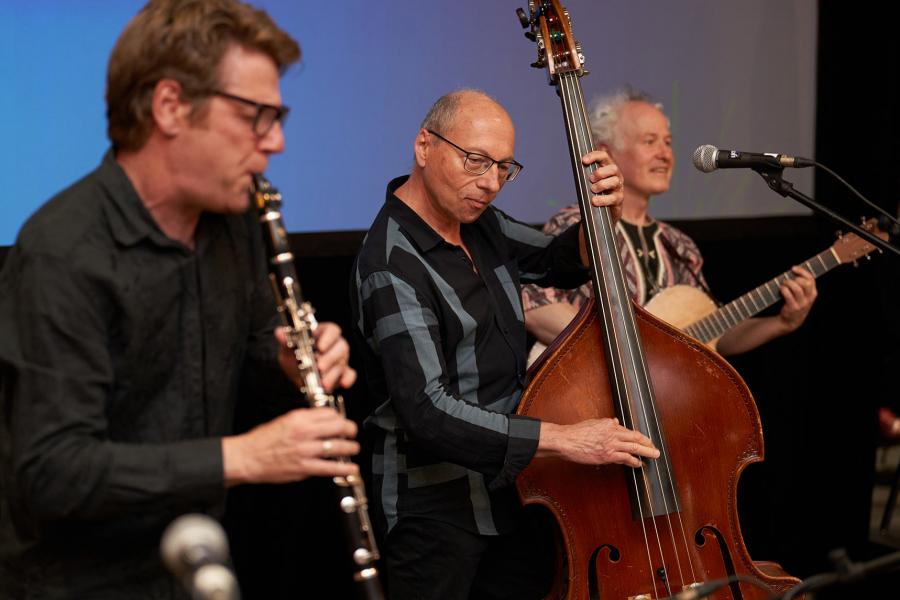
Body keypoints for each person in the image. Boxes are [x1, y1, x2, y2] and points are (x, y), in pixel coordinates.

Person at [0, 1, 360, 598]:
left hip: (193, 561)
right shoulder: (64, 252)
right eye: (257, 115)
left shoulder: (235, 222)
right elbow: (52, 472)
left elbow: (246, 350)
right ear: (170, 106)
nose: (276, 142)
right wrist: (241, 457)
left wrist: (287, 365)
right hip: (75, 582)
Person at [349, 89, 660, 599]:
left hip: (513, 494)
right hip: (433, 513)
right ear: (425, 146)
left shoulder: (479, 222)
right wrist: (565, 439)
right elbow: (427, 411)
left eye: (503, 167)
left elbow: (560, 259)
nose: (490, 183)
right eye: (475, 161)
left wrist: (604, 210)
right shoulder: (389, 263)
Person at [523, 88, 818, 359]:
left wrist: (782, 323)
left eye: (667, 142)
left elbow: (711, 336)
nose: (665, 154)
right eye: (649, 141)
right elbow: (534, 305)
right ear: (607, 152)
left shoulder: (678, 245)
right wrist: (628, 352)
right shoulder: (576, 224)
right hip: (596, 394)